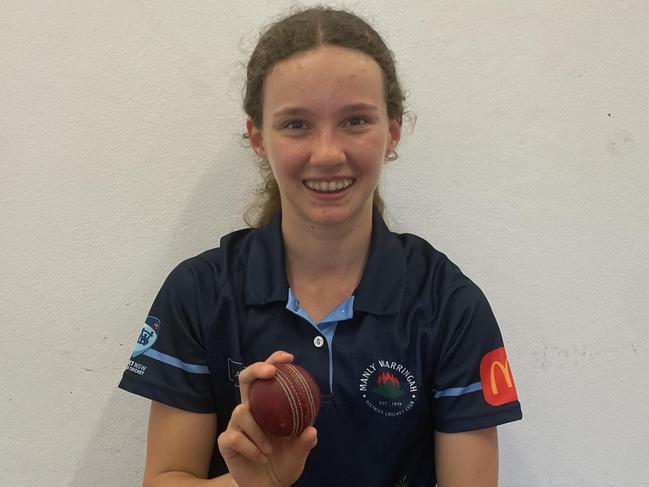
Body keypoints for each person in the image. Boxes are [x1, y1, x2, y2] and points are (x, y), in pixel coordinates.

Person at [118, 6, 522, 487]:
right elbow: (164, 478)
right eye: (296, 124)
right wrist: (254, 484)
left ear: (392, 129)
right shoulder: (200, 292)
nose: (327, 153)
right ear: (257, 136)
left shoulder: (449, 304)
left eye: (355, 120)